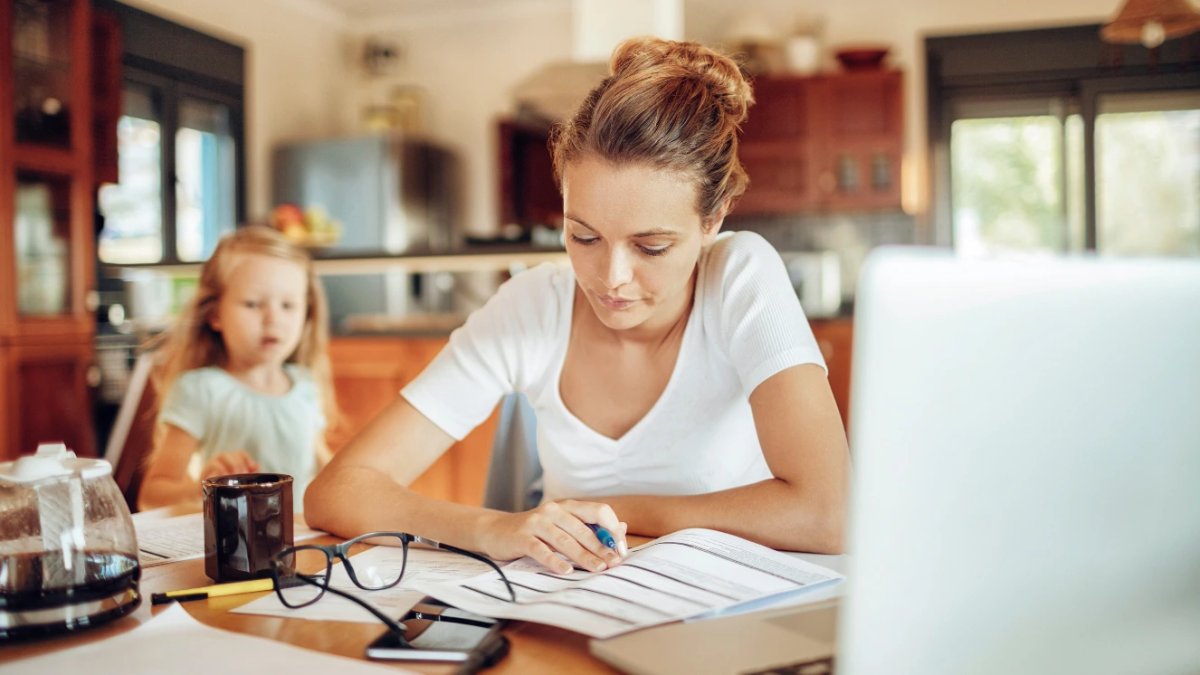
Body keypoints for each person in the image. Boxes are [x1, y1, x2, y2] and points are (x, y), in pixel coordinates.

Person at [306, 37, 850, 575]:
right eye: (583, 237)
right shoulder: (532, 307)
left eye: (651, 246)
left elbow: (828, 514)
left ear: (714, 219)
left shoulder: (740, 275)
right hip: (575, 611)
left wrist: (618, 511)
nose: (611, 278)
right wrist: (494, 527)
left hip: (726, 614)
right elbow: (338, 491)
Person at [138, 225, 337, 510]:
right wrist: (208, 486)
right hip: (235, 548)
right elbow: (151, 495)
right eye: (253, 304)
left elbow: (324, 470)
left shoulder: (305, 386)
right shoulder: (200, 390)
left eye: (288, 305)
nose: (273, 319)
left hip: (303, 546)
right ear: (215, 314)